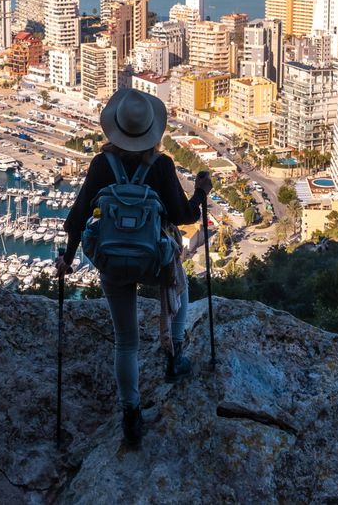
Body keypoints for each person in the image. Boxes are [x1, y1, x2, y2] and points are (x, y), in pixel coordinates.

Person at [57, 87, 211, 447]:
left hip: (112, 263)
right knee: (180, 285)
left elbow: (77, 217)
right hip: (153, 263)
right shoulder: (161, 166)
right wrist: (202, 192)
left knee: (126, 342)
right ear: (151, 131)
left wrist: (68, 257)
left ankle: (131, 415)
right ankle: (175, 356)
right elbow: (183, 216)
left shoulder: (101, 165)